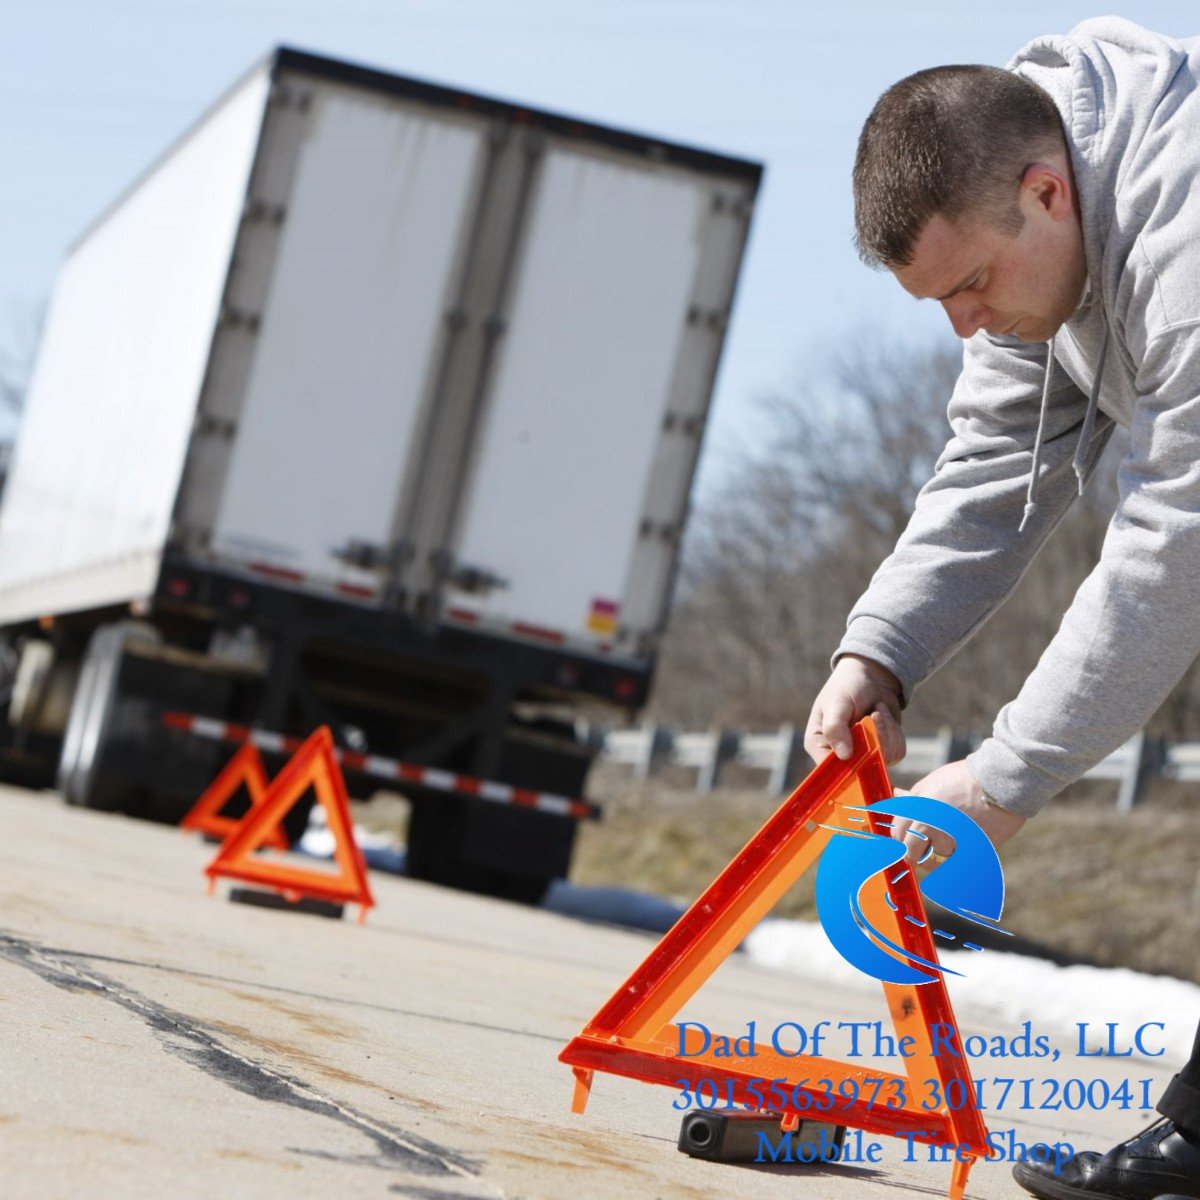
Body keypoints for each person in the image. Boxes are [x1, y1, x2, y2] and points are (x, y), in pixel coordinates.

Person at [802, 17, 1200, 1200]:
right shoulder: (1035, 247)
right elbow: (992, 471)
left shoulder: (1182, 236)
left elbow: (1177, 534)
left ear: (1046, 190)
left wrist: (1003, 779)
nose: (965, 325)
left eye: (970, 286)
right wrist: (879, 652)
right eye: (939, 301)